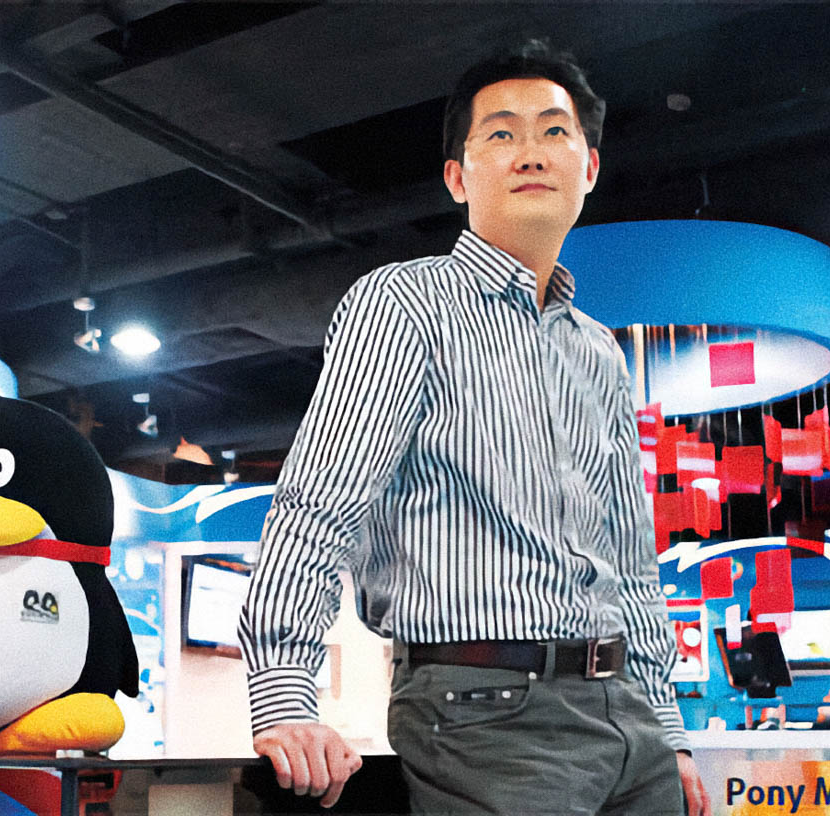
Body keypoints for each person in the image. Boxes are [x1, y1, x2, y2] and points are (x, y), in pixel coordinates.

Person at [238, 39, 710, 816]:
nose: (531, 150)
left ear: (590, 167)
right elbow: (322, 501)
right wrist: (286, 692)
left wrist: (666, 728)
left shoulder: (598, 350)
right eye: (501, 133)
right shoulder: (405, 304)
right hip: (486, 712)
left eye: (554, 130)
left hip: (626, 718)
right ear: (458, 177)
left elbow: (630, 560)